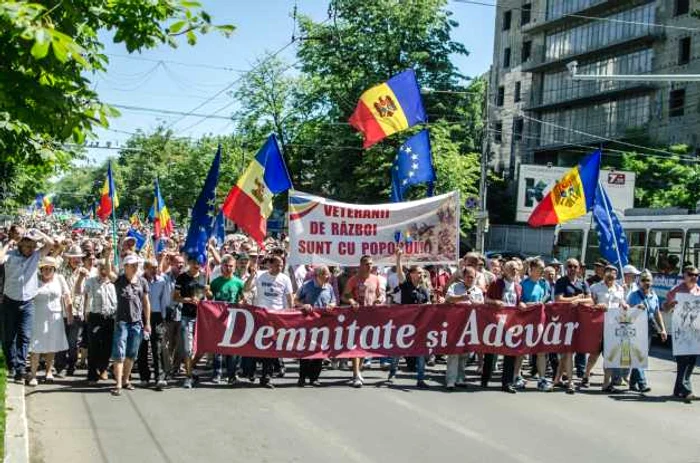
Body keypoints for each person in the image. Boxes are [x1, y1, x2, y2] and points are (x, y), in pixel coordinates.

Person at [0, 228, 54, 383]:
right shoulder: (10, 255)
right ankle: (12, 365)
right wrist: (8, 243)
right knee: (8, 337)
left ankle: (20, 368)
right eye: (28, 246)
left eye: (33, 246)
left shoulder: (36, 256)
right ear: (21, 245)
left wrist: (37, 232)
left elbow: (50, 243)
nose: (31, 249)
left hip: (28, 303)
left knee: (24, 336)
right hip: (10, 301)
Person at [244, 254, 293, 388]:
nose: (280, 267)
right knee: (256, 345)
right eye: (277, 265)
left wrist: (291, 312)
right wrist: (252, 276)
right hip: (260, 316)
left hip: (276, 317)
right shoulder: (260, 275)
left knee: (271, 349)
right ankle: (250, 371)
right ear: (269, 265)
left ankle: (266, 377)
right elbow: (246, 288)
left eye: (282, 265)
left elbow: (289, 298)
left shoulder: (285, 279)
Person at [387, 247, 431, 388]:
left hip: (420, 326)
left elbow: (428, 304)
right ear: (411, 274)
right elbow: (400, 273)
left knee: (421, 352)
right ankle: (393, 371)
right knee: (399, 350)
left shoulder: (424, 290)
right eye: (418, 272)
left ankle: (420, 378)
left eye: (422, 273)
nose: (421, 275)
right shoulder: (405, 285)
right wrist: (399, 258)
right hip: (405, 325)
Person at [109, 253, 151, 396]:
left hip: (137, 322)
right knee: (119, 352)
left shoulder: (142, 281)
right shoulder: (119, 280)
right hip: (122, 322)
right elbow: (109, 272)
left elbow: (146, 303)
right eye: (132, 265)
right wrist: (108, 254)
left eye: (136, 265)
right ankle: (118, 383)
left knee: (132, 353)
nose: (135, 267)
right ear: (125, 266)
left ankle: (126, 380)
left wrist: (148, 322)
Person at [482, 260, 526, 393]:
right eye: (511, 268)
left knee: (511, 352)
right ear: (505, 270)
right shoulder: (496, 283)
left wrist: (521, 304)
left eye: (516, 269)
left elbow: (519, 302)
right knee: (491, 351)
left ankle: (506, 383)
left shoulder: (518, 286)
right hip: (496, 322)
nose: (514, 271)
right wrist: (495, 301)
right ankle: (485, 378)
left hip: (512, 324)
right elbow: (486, 300)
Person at [27, 257, 72, 386]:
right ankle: (33, 374)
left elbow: (67, 295)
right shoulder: (34, 279)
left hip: (55, 317)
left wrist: (69, 314)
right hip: (38, 317)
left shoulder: (59, 279)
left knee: (51, 345)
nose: (47, 271)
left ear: (54, 269)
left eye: (50, 269)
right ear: (41, 269)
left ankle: (48, 371)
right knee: (36, 345)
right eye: (44, 269)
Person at [342, 255, 385, 388]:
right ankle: (355, 374)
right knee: (355, 344)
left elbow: (380, 294)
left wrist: (380, 299)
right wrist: (352, 301)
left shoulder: (376, 279)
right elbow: (344, 295)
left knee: (364, 345)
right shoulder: (354, 279)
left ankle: (358, 371)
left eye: (371, 264)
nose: (369, 266)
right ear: (361, 265)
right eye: (366, 264)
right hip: (356, 316)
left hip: (370, 316)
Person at [553, 258, 593, 394]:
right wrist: (576, 299)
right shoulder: (561, 282)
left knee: (567, 352)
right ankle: (570, 382)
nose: (572, 269)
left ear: (579, 268)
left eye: (575, 266)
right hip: (565, 320)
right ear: (566, 267)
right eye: (569, 266)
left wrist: (580, 300)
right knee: (568, 351)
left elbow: (590, 300)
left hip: (580, 321)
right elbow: (559, 299)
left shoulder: (583, 283)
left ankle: (557, 378)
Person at [585, 265, 628, 393]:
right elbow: (589, 304)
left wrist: (625, 305)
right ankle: (586, 374)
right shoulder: (595, 287)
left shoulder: (620, 289)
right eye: (609, 273)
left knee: (610, 355)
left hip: (613, 326)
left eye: (614, 274)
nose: (611, 275)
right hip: (598, 325)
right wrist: (597, 305)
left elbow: (622, 303)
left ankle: (606, 383)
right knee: (594, 354)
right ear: (604, 274)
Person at [76, 252, 116, 384]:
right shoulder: (91, 281)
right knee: (94, 346)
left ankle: (103, 368)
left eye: (107, 267)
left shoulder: (114, 282)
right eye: (102, 268)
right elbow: (78, 292)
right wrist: (80, 279)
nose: (104, 270)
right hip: (95, 316)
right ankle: (92, 374)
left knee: (108, 346)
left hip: (110, 318)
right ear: (98, 269)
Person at [663, 265, 700, 401]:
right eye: (691, 274)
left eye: (696, 275)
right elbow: (665, 308)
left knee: (691, 361)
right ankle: (686, 390)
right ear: (684, 275)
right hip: (680, 332)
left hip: (695, 332)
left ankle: (678, 390)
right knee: (682, 361)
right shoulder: (676, 290)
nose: (694, 277)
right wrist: (671, 304)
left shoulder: (698, 290)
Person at [294, 265, 336, 387]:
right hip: (308, 323)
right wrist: (304, 305)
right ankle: (302, 377)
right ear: (318, 275)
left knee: (320, 350)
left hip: (323, 324)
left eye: (328, 274)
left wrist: (332, 305)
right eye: (325, 274)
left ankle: (314, 378)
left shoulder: (329, 287)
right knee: (306, 350)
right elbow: (295, 300)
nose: (328, 277)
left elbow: (333, 300)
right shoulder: (307, 285)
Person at [207, 254, 245, 385]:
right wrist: (208, 293)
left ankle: (231, 374)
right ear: (221, 266)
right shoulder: (215, 282)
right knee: (218, 347)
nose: (228, 268)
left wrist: (241, 301)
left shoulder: (239, 282)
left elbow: (243, 298)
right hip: (219, 319)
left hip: (234, 319)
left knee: (232, 348)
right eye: (226, 266)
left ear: (234, 267)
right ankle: (217, 373)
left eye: (231, 266)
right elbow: (209, 299)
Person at [444, 266, 484, 389]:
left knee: (465, 353)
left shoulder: (478, 290)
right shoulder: (455, 287)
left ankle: (460, 378)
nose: (470, 279)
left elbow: (482, 305)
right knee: (454, 352)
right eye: (468, 277)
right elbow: (448, 298)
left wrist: (476, 304)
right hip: (456, 324)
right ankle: (450, 380)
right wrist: (463, 297)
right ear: (463, 277)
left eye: (473, 277)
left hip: (470, 324)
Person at [627, 270, 667, 393]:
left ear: (652, 282)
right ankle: (642, 383)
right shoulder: (633, 295)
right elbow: (626, 312)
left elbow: (656, 313)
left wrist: (663, 329)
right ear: (639, 282)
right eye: (644, 280)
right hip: (635, 328)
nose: (646, 283)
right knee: (639, 355)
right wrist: (635, 308)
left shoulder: (653, 296)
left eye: (648, 280)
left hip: (648, 328)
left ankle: (633, 382)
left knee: (642, 355)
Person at [174, 255, 208, 389]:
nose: (196, 265)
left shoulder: (205, 277)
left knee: (202, 348)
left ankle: (190, 368)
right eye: (194, 262)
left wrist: (208, 291)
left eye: (198, 263)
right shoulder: (182, 278)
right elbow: (175, 297)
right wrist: (189, 300)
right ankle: (188, 376)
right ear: (189, 262)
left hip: (202, 317)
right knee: (187, 349)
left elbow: (209, 296)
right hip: (187, 317)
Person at [520, 258, 553, 392]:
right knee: (521, 350)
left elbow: (547, 298)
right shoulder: (524, 283)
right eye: (540, 269)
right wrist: (530, 305)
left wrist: (544, 303)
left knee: (541, 351)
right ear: (532, 269)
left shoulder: (544, 284)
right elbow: (521, 301)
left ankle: (542, 379)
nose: (542, 272)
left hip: (540, 320)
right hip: (526, 320)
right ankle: (517, 376)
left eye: (543, 269)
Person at [55, 244, 88, 377]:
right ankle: (60, 366)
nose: (76, 260)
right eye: (73, 257)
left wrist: (85, 311)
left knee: (73, 341)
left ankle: (71, 364)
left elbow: (85, 292)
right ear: (68, 258)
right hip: (62, 310)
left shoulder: (84, 272)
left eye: (78, 258)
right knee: (61, 339)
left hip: (77, 311)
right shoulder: (62, 269)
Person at [137, 259, 169, 390]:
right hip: (141, 315)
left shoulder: (161, 281)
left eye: (156, 267)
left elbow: (164, 299)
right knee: (142, 347)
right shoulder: (138, 281)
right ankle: (144, 376)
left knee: (157, 346)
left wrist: (163, 316)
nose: (155, 270)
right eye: (151, 267)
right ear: (145, 268)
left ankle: (159, 377)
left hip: (156, 315)